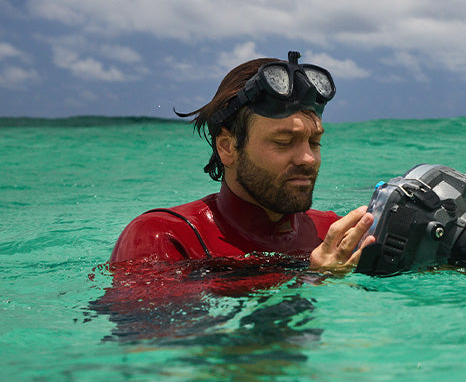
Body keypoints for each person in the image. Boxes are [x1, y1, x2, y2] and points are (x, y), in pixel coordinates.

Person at [109, 51, 375, 276]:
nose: (308, 158)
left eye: (314, 142)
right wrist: (315, 279)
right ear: (227, 147)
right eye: (283, 142)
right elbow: (156, 337)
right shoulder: (166, 237)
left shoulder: (331, 234)